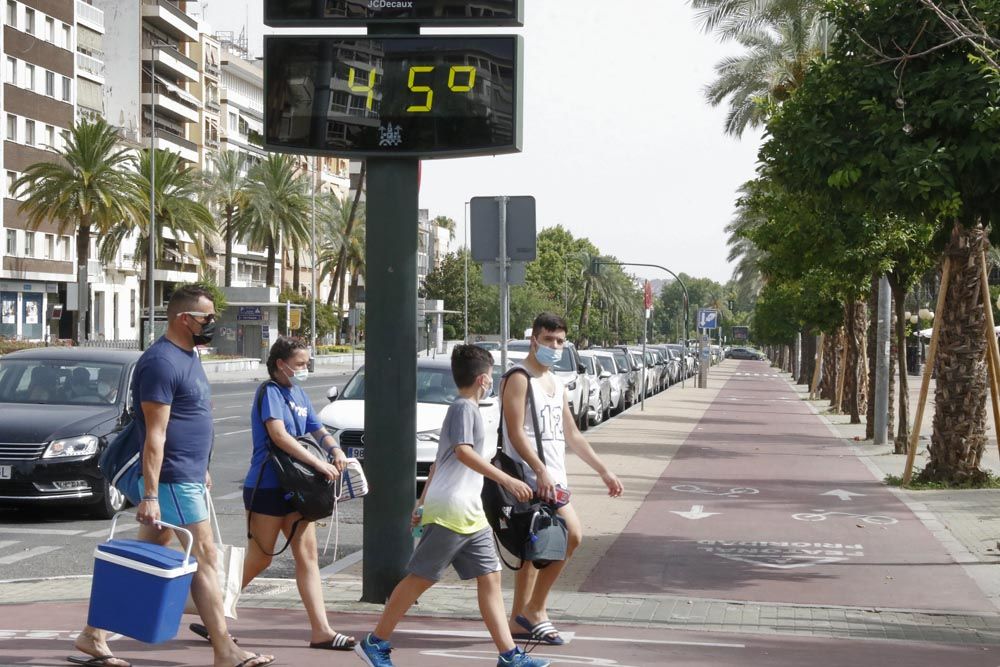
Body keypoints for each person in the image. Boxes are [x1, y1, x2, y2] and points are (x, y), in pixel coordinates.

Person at [69, 285, 274, 667]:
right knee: (205, 556)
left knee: (146, 559)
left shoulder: (189, 356)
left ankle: (92, 634)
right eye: (207, 317)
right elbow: (155, 434)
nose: (212, 323)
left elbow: (193, 419)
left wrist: (205, 468)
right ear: (184, 319)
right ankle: (225, 649)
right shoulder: (160, 362)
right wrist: (149, 495)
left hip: (188, 475)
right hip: (172, 478)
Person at [355, 345, 550, 667]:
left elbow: (437, 465)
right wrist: (507, 480)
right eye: (493, 377)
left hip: (468, 512)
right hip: (452, 509)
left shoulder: (467, 408)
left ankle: (509, 655)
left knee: (490, 577)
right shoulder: (463, 408)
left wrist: (420, 501)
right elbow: (462, 451)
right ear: (483, 379)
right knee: (421, 578)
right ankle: (375, 642)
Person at [502, 313, 624, 646]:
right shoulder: (519, 377)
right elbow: (514, 432)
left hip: (554, 476)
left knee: (534, 548)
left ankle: (517, 619)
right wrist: (539, 469)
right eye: (548, 339)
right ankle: (536, 610)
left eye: (559, 341)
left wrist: (603, 470)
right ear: (534, 340)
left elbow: (572, 433)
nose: (554, 346)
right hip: (531, 477)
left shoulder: (555, 383)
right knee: (572, 534)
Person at [239, 336, 355, 650]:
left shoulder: (298, 393)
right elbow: (278, 436)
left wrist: (335, 451)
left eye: (307, 363)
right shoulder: (271, 392)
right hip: (267, 485)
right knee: (260, 559)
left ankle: (322, 630)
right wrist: (318, 462)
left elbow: (317, 429)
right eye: (300, 364)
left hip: (297, 487)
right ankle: (213, 610)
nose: (305, 369)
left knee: (307, 558)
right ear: (281, 364)